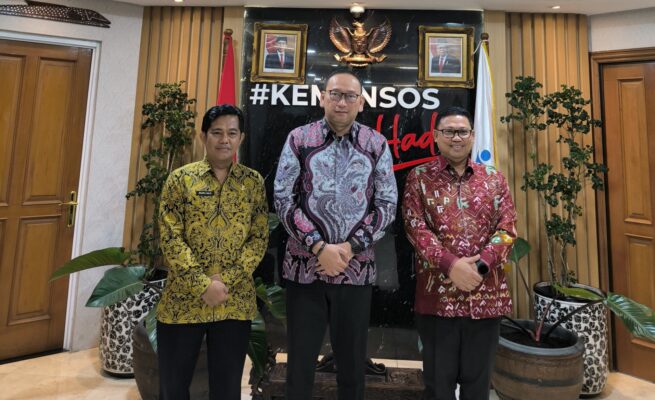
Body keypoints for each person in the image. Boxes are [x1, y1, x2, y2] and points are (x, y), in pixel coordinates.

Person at [274, 69, 397, 400]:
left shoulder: (375, 143)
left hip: (355, 270)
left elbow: (387, 204)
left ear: (361, 102)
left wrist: (348, 248)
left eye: (350, 96)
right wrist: (318, 247)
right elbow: (283, 199)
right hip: (304, 269)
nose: (342, 102)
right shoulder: (299, 139)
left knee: (353, 367)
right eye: (335, 94)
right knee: (299, 365)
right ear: (322, 98)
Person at [402, 106, 517, 400]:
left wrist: (480, 267)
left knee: (478, 386)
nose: (456, 138)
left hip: (486, 296)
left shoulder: (494, 179)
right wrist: (451, 265)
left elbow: (507, 229)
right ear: (436, 136)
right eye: (449, 131)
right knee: (438, 386)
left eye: (462, 131)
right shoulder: (419, 178)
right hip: (438, 299)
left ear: (472, 136)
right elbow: (415, 228)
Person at [157, 104, 269, 400]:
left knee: (227, 390)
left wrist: (225, 281)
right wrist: (202, 284)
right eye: (217, 132)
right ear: (203, 136)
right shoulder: (180, 180)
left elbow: (258, 238)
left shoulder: (253, 183)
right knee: (172, 388)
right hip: (183, 301)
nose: (224, 140)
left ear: (241, 138)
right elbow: (170, 237)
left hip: (234, 302)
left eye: (232, 133)